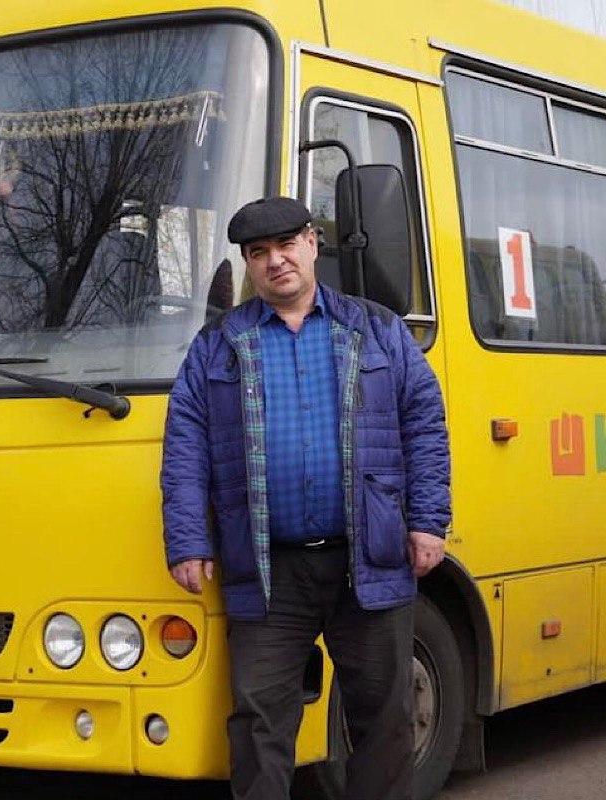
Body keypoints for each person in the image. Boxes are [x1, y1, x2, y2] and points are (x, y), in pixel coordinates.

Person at [160, 196, 451, 800]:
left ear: (314, 243)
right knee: (259, 721)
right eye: (258, 253)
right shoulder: (217, 346)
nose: (275, 262)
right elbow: (185, 447)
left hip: (367, 558)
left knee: (384, 716)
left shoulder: (376, 330)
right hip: (267, 568)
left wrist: (427, 521)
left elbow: (424, 426)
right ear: (248, 264)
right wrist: (188, 540)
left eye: (286, 245)